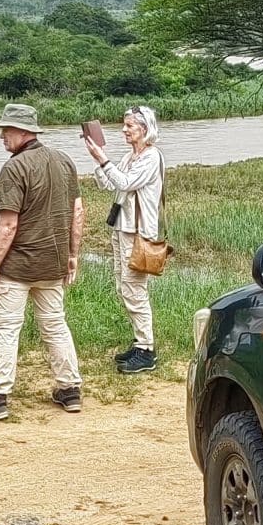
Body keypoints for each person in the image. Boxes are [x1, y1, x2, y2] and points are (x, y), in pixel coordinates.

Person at [0, 103, 84, 420]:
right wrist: (72, 254)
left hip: (17, 266)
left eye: (5, 130)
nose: (2, 136)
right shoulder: (64, 161)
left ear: (22, 132)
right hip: (53, 261)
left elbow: (7, 225)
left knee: (7, 329)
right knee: (55, 326)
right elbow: (77, 212)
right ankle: (69, 388)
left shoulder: (14, 168)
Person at [85, 105, 165, 374]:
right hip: (122, 228)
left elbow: (127, 182)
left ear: (143, 128)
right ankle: (140, 342)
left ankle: (147, 349)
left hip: (138, 232)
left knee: (134, 289)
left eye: (129, 125)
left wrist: (103, 159)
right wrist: (99, 161)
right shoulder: (131, 155)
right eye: (125, 125)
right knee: (124, 286)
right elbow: (109, 183)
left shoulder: (151, 157)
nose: (124, 129)